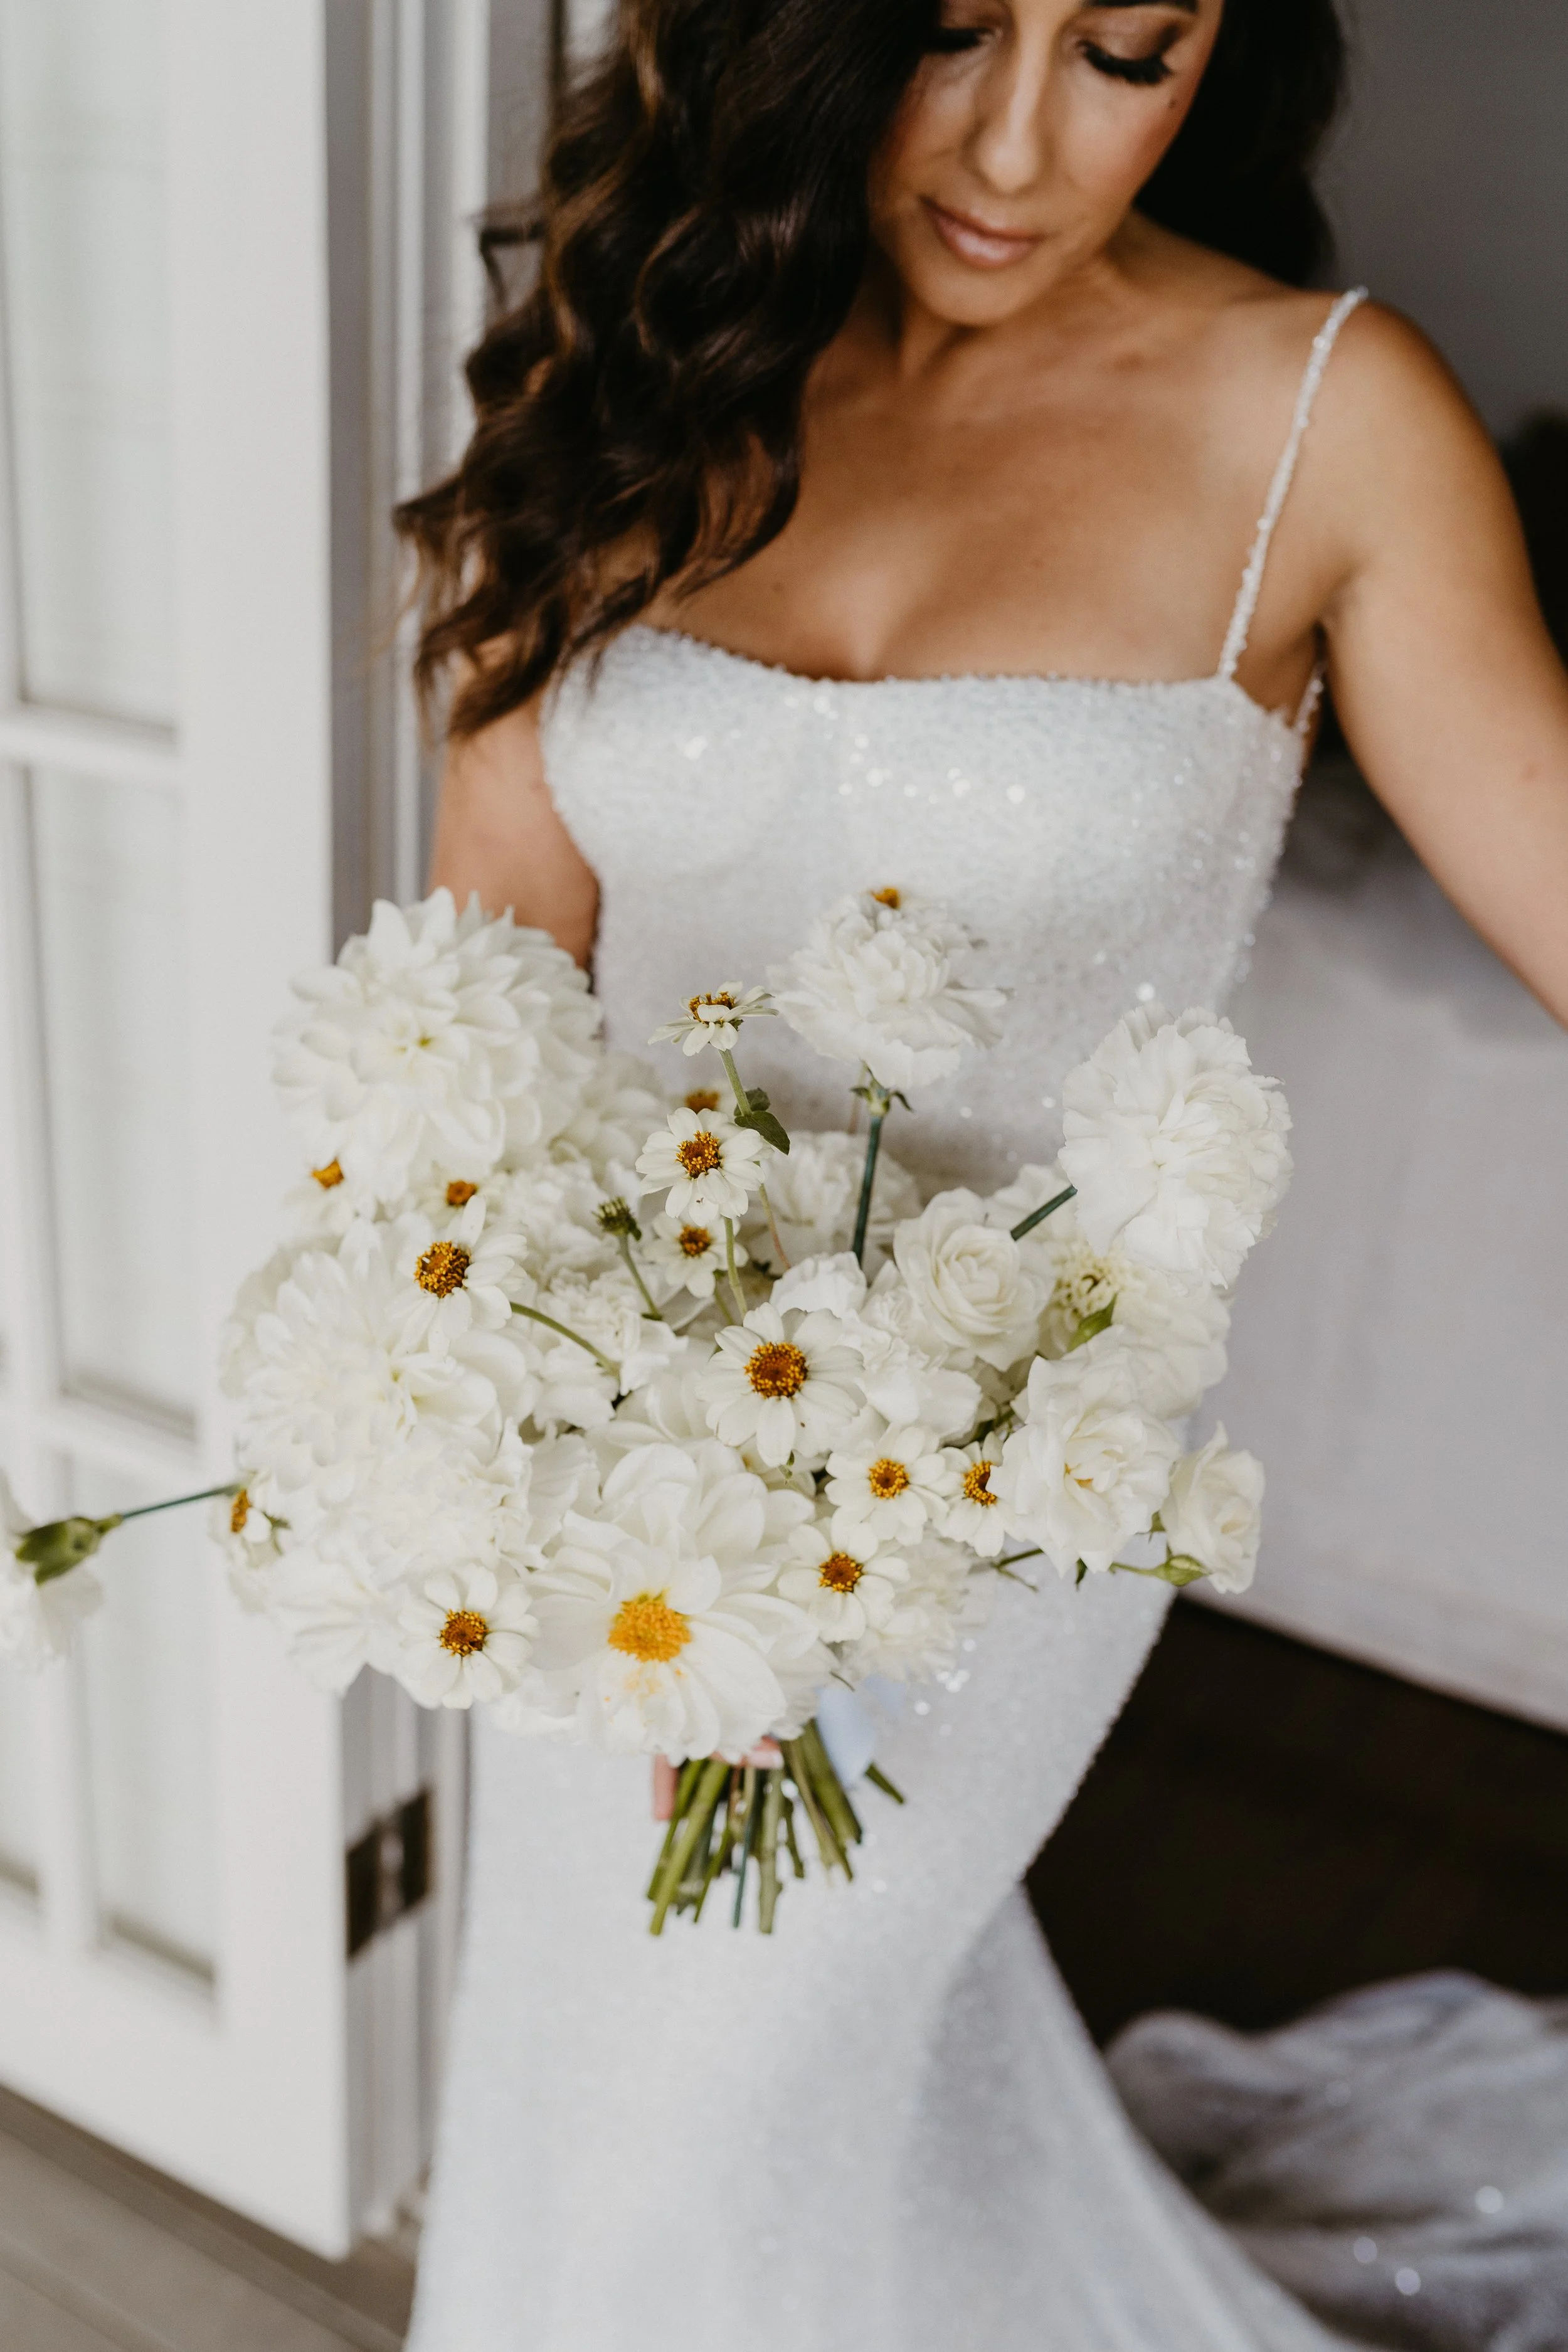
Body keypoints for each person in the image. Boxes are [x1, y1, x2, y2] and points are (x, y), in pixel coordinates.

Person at [399, 2, 1568, 2344]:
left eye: (1122, 50)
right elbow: (484, 986)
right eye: (943, 33)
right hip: (608, 1480)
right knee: (592, 2104)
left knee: (700, 2127)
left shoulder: (1322, 420)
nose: (1018, 143)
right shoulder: (641, 360)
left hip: (999, 1510)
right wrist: (540, 1436)